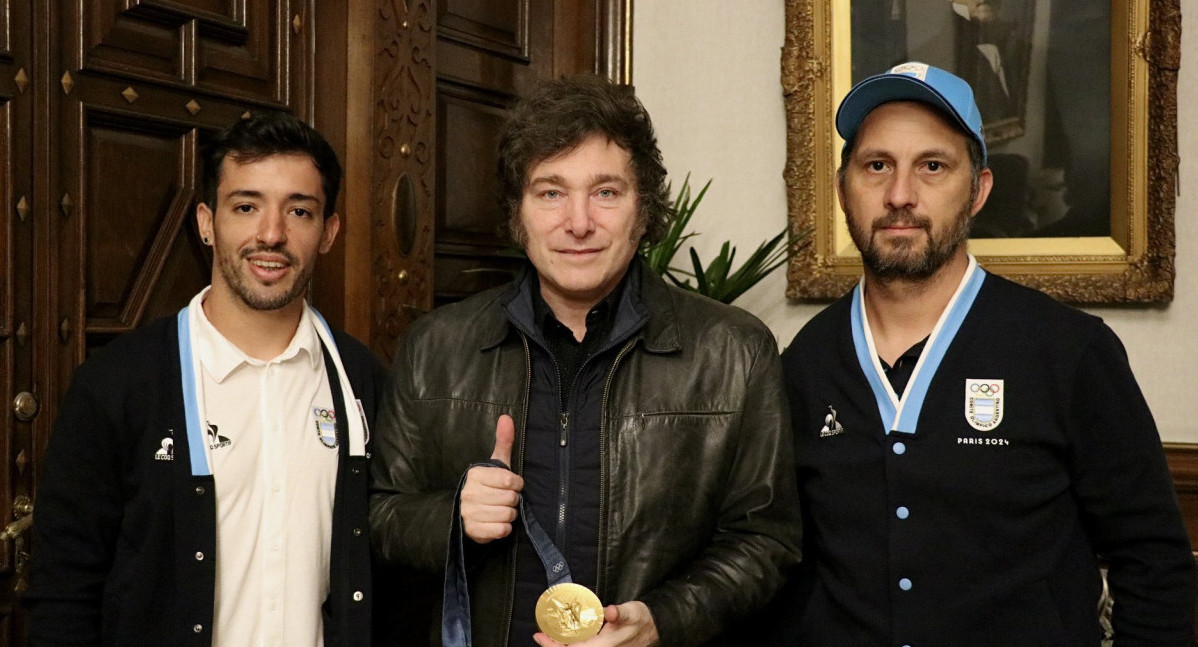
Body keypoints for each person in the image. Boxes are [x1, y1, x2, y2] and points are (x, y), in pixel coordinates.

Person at [369, 75, 801, 647]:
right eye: (550, 192)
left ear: (643, 210)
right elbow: (379, 518)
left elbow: (766, 540)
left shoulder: (734, 350)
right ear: (517, 213)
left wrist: (662, 621)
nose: (578, 223)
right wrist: (454, 518)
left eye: (605, 192)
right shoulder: (435, 348)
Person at [776, 62, 1196, 645]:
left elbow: (1154, 562)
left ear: (978, 191)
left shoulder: (1069, 351)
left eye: (933, 166)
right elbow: (784, 566)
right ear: (844, 185)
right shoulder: (804, 362)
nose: (901, 195)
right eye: (877, 166)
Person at [23, 112, 388, 646]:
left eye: (300, 211)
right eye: (246, 207)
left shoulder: (364, 383)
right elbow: (63, 591)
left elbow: (393, 580)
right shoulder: (117, 384)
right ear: (206, 223)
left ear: (329, 232)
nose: (271, 234)